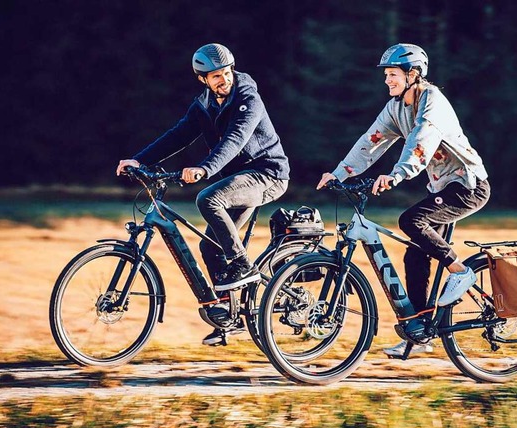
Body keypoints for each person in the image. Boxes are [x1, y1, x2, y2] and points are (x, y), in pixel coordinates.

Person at [316, 43, 490, 358]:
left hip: (468, 185)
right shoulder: (397, 107)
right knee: (415, 255)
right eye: (386, 76)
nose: (387, 81)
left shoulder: (431, 102)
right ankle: (419, 332)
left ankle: (460, 271)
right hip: (443, 188)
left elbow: (421, 139)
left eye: (393, 75)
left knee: (411, 220)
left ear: (413, 75)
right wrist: (340, 173)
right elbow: (371, 141)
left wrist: (398, 174)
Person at [116, 43, 290, 346]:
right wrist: (140, 160)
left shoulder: (249, 97)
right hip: (236, 180)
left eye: (226, 73)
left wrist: (204, 169)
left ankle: (242, 263)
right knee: (210, 247)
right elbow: (178, 135)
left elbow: (236, 139)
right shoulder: (203, 105)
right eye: (216, 77)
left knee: (208, 198)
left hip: (267, 173)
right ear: (203, 80)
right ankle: (228, 316)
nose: (224, 80)